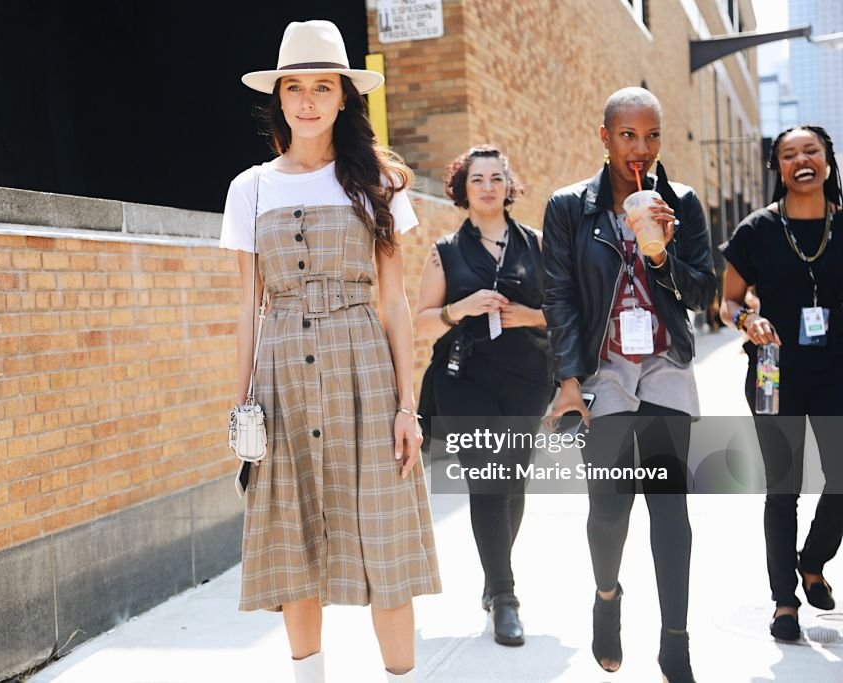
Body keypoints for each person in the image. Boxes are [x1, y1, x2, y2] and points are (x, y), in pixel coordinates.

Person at [219, 20, 440, 683]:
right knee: (294, 544)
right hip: (282, 377)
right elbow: (247, 308)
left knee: (385, 538)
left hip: (364, 375)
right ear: (279, 98)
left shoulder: (377, 180)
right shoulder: (250, 188)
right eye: (295, 87)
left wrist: (408, 404)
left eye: (322, 86)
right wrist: (241, 409)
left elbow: (395, 302)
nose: (308, 100)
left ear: (345, 97)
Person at [542, 87, 715, 683]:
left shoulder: (682, 202)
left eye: (652, 136)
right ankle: (607, 597)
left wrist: (663, 255)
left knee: (670, 511)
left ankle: (675, 640)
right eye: (628, 136)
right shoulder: (569, 207)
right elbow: (559, 295)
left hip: (665, 367)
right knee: (610, 509)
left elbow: (703, 294)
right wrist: (567, 379)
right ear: (605, 137)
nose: (641, 148)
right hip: (605, 369)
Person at [414, 145, 552, 646]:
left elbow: (568, 311)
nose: (488, 186)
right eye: (478, 179)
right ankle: (507, 598)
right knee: (488, 483)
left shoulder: (536, 244)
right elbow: (422, 321)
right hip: (465, 379)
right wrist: (463, 307)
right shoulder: (445, 251)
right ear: (463, 189)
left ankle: (494, 583)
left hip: (528, 377)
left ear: (509, 186)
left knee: (513, 486)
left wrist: (532, 316)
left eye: (497, 178)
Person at [719, 124, 843, 642]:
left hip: (837, 370)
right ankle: (784, 601)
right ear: (779, 169)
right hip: (773, 370)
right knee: (783, 488)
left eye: (810, 150)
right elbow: (725, 304)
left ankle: (811, 560)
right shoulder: (756, 230)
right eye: (788, 154)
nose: (801, 160)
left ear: (829, 160)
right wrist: (749, 323)